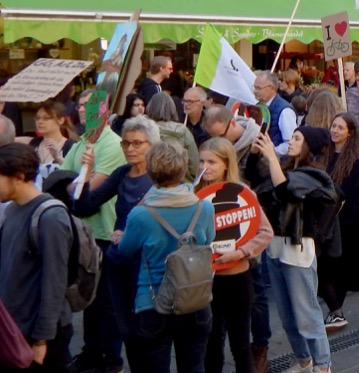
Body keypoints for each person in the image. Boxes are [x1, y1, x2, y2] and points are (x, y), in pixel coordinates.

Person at [115, 141, 215, 373]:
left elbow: (125, 251)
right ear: (182, 170)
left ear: (150, 172)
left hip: (154, 302)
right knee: (194, 367)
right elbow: (208, 240)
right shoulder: (204, 208)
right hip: (196, 297)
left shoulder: (141, 214)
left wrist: (120, 236)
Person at [72, 115, 159, 372]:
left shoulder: (158, 177)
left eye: (137, 143)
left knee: (144, 325)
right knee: (115, 318)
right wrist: (86, 172)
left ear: (151, 145)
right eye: (126, 143)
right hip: (119, 259)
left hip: (146, 261)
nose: (130, 149)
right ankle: (111, 361)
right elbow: (83, 205)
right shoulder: (122, 173)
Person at [247, 129, 335, 373]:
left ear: (310, 146)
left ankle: (322, 365)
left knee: (306, 312)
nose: (291, 142)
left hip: (297, 250)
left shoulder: (314, 174)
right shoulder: (285, 165)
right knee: (287, 315)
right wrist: (255, 154)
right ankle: (304, 360)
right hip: (275, 248)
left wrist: (272, 158)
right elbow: (256, 179)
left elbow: (287, 190)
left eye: (298, 139)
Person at [60, 93, 127, 373]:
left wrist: (77, 182)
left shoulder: (111, 144)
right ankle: (91, 351)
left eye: (91, 106)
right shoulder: (84, 140)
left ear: (104, 109)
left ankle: (110, 357)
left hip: (103, 229)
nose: (84, 110)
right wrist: (74, 181)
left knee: (107, 300)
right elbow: (61, 179)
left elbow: (87, 190)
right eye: (80, 105)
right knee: (90, 297)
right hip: (84, 230)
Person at [197, 138, 274, 373]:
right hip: (205, 280)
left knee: (240, 346)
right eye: (201, 161)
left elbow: (265, 231)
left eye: (211, 162)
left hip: (237, 279)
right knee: (210, 345)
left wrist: (241, 253)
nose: (204, 167)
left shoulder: (243, 193)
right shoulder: (194, 193)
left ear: (226, 163)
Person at [0, 143, 74, 371]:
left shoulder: (51, 217)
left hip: (40, 334)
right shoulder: (12, 210)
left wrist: (41, 340)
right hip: (14, 327)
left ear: (18, 177)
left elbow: (55, 283)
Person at [318, 113, 359, 332]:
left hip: (344, 221)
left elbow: (348, 192)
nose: (335, 130)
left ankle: (336, 310)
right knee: (325, 267)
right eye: (333, 126)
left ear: (350, 132)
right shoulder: (324, 154)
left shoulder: (354, 160)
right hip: (325, 219)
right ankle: (335, 310)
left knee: (338, 267)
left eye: (340, 127)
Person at [147, 93, 200, 181]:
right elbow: (194, 165)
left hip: (149, 180)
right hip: (179, 182)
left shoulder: (142, 129)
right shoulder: (183, 131)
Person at [253, 71, 297, 155]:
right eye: (254, 87)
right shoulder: (257, 107)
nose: (255, 91)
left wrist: (270, 152)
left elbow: (290, 143)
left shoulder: (285, 111)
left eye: (259, 88)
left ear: (272, 88)